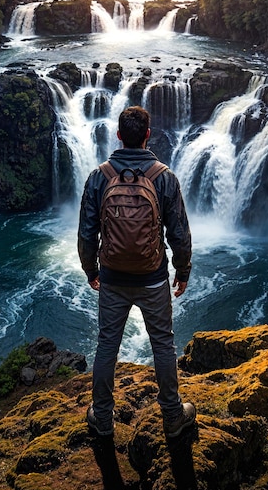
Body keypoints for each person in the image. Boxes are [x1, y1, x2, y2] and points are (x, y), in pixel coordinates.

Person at [78, 105, 195, 439]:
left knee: (106, 347)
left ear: (118, 136)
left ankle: (102, 418)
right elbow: (179, 233)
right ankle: (172, 416)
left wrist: (91, 270)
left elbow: (87, 233)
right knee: (163, 345)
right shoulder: (164, 177)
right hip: (153, 278)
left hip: (112, 278)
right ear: (147, 135)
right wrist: (182, 270)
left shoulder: (99, 176)